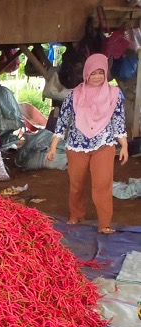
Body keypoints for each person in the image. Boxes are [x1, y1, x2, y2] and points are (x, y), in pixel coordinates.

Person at [46, 53, 128, 234]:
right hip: (76, 145)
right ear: (86, 73)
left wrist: (124, 145)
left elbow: (118, 120)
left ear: (106, 73)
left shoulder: (114, 94)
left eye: (101, 72)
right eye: (93, 73)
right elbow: (63, 121)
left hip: (104, 144)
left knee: (102, 185)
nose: (97, 76)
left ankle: (104, 223)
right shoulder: (73, 95)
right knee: (77, 184)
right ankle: (76, 214)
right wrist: (53, 146)